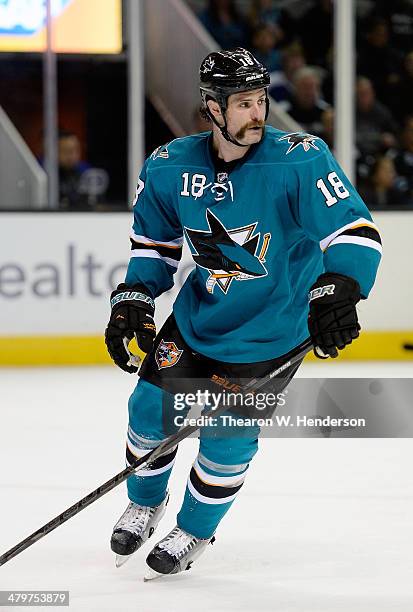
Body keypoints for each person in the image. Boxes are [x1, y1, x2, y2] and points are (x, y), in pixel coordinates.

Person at [105, 48, 382, 579]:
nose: (257, 113)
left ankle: (193, 527)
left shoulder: (300, 159)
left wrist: (341, 285)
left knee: (227, 436)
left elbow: (355, 231)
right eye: (243, 103)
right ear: (211, 106)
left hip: (273, 333)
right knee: (147, 412)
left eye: (260, 100)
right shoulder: (169, 166)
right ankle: (145, 503)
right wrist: (134, 298)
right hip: (198, 322)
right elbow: (153, 248)